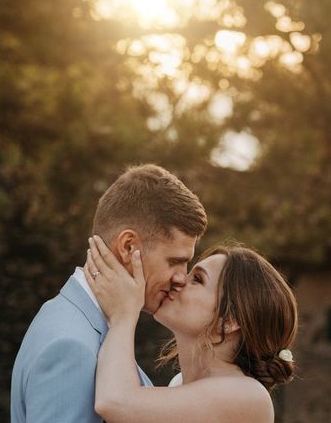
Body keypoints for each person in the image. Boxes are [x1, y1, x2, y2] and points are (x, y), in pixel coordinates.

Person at [11, 164, 207, 423]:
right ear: (128, 247)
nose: (182, 277)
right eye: (174, 261)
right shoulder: (70, 347)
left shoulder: (80, 321)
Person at [84, 236, 298, 423]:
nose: (178, 279)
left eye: (197, 279)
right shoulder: (178, 383)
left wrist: (123, 314)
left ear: (229, 321)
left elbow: (115, 402)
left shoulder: (248, 395)